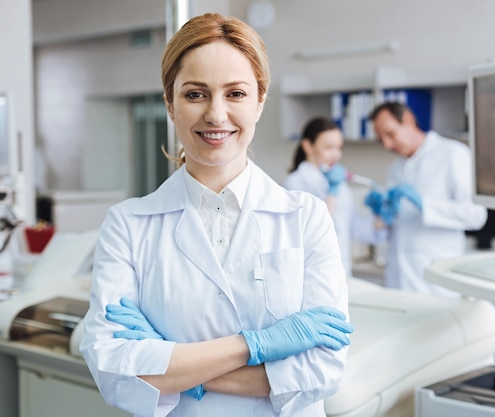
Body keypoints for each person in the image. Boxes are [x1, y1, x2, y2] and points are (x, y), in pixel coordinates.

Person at [79, 13, 353, 417]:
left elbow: (320, 371)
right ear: (170, 104)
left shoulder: (305, 217)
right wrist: (256, 346)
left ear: (260, 101)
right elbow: (113, 371)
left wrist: (170, 364)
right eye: (195, 94)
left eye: (236, 94)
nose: (216, 114)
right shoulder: (128, 224)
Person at [365, 101, 487, 296]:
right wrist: (382, 215)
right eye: (381, 140)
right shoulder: (394, 170)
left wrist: (424, 205)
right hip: (398, 279)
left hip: (436, 283)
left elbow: (476, 215)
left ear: (408, 120)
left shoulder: (452, 154)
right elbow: (397, 228)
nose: (387, 144)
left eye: (390, 134)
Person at [283, 117, 359, 277]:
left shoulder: (338, 183)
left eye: (339, 147)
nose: (336, 154)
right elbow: (317, 228)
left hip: (343, 270)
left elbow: (350, 227)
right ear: (307, 146)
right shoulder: (294, 183)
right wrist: (332, 193)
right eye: (329, 147)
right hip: (314, 272)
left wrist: (380, 218)